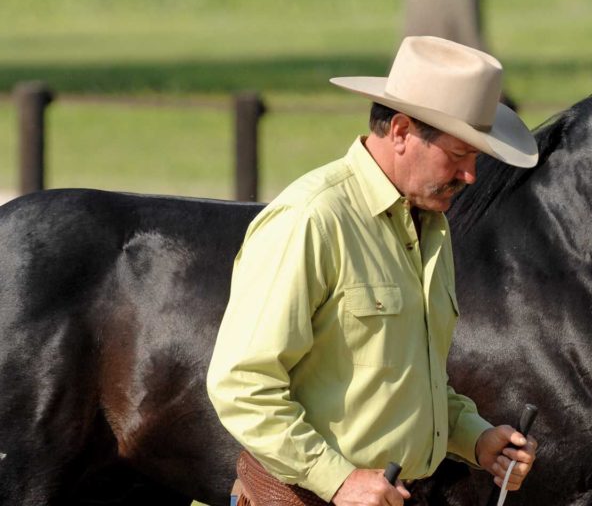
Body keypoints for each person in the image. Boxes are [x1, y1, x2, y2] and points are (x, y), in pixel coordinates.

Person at [207, 36, 540, 506]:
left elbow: (406, 381)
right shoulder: (313, 219)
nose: (471, 175)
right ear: (401, 131)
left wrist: (477, 439)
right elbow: (241, 385)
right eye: (459, 154)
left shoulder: (430, 227)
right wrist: (338, 479)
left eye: (476, 158)